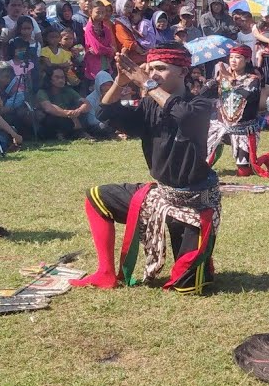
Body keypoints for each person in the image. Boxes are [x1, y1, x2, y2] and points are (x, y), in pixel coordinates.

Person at [70, 44, 221, 294]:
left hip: (194, 204)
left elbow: (184, 116)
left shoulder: (200, 103)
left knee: (188, 287)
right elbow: (106, 113)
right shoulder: (150, 104)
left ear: (183, 71)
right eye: (149, 69)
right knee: (96, 197)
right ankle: (105, 273)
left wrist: (146, 83)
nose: (152, 74)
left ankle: (201, 255)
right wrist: (119, 82)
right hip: (162, 196)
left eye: (160, 68)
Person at [207, 46, 269, 177]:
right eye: (231, 57)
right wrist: (215, 81)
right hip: (222, 128)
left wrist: (230, 79)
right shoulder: (223, 78)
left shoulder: (253, 79)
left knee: (244, 172)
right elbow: (203, 93)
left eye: (238, 57)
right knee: (204, 165)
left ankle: (266, 158)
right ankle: (211, 158)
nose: (233, 60)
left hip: (244, 130)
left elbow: (248, 94)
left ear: (247, 59)